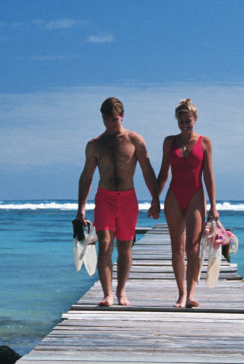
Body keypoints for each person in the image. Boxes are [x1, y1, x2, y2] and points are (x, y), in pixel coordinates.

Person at [77, 97, 160, 306]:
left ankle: (121, 291)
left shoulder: (135, 140)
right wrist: (81, 209)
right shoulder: (95, 144)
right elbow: (86, 176)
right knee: (104, 244)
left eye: (114, 119)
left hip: (128, 198)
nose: (110, 124)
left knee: (125, 246)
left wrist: (155, 199)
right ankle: (107, 294)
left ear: (122, 116)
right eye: (106, 119)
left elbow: (147, 170)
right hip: (104, 198)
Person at [156, 98, 219, 308]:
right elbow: (163, 174)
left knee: (193, 248)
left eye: (188, 121)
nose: (184, 124)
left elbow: (209, 176)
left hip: (195, 197)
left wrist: (213, 206)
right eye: (181, 121)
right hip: (174, 197)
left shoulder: (204, 142)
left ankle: (191, 294)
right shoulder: (169, 142)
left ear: (195, 119)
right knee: (177, 248)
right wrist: (155, 200)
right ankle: (181, 294)